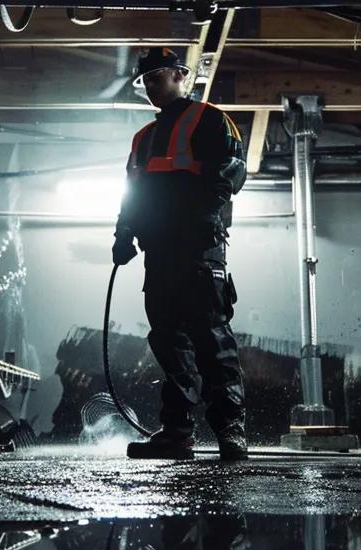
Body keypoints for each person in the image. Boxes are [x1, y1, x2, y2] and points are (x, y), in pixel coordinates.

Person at [113, 47, 250, 461]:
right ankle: (177, 432)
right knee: (169, 340)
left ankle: (230, 430)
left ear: (179, 75)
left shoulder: (210, 119)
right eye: (146, 81)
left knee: (211, 337)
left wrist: (197, 217)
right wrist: (124, 234)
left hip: (199, 250)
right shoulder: (143, 138)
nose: (152, 87)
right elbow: (131, 193)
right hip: (160, 253)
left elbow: (232, 173)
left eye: (158, 78)